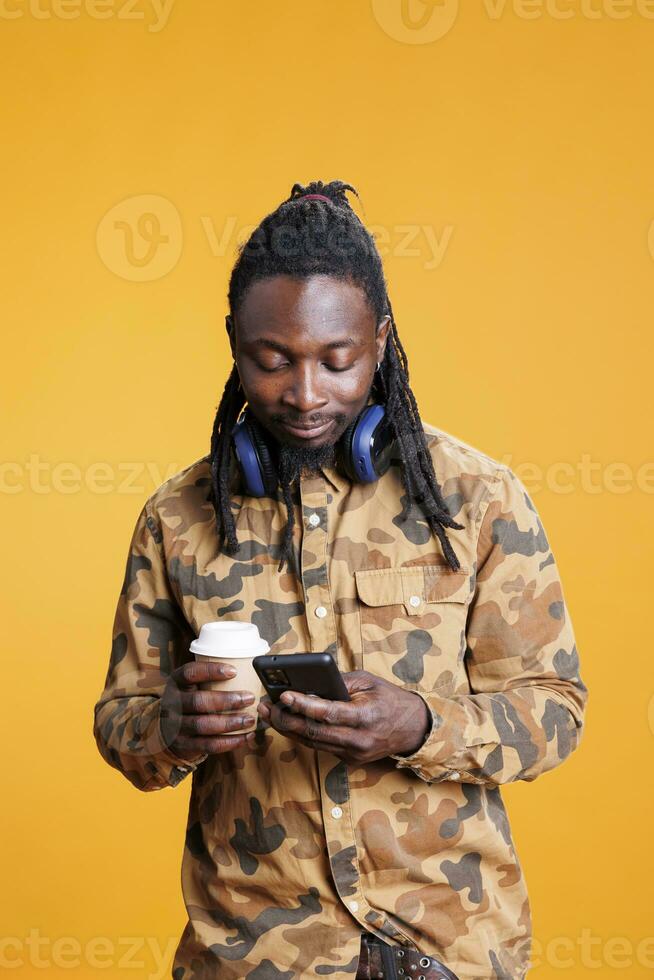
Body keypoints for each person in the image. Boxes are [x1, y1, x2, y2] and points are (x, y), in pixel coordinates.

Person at [93, 180, 588, 980]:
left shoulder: (479, 499)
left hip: (450, 951)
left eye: (337, 359)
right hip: (250, 959)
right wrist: (171, 728)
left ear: (381, 340)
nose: (306, 393)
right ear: (234, 341)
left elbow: (555, 710)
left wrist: (421, 725)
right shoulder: (175, 518)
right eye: (273, 359)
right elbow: (123, 726)